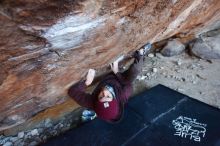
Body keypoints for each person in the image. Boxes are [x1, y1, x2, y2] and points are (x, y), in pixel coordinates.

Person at [68, 43, 151, 122]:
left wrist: (87, 82)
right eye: (108, 96)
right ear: (114, 98)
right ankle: (141, 53)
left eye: (100, 97)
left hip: (107, 79)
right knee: (134, 72)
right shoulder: (124, 94)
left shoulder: (93, 103)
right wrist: (116, 72)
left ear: (96, 102)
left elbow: (72, 92)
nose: (104, 92)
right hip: (120, 79)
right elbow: (128, 84)